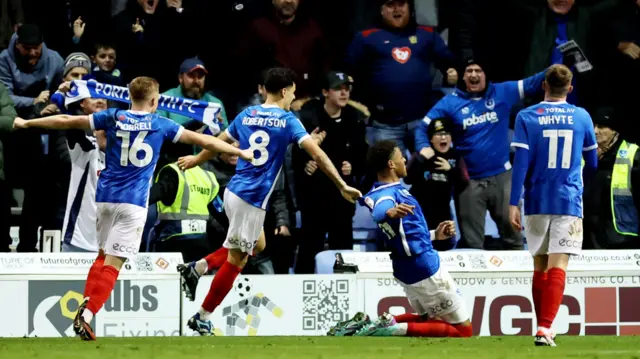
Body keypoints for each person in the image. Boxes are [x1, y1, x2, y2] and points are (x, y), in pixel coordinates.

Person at [12, 76, 253, 341]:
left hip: (103, 200)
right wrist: (240, 153)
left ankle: (85, 309)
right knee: (114, 264)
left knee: (102, 257)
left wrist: (27, 122)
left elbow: (66, 121)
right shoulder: (162, 124)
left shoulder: (113, 116)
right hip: (133, 203)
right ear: (154, 101)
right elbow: (205, 141)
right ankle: (88, 313)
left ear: (130, 97)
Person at [176, 67, 362, 335]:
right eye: (293, 93)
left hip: (235, 192)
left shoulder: (246, 114)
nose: (292, 98)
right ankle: (202, 316)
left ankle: (199, 267)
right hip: (250, 197)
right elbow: (318, 155)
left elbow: (218, 142)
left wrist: (196, 159)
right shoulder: (288, 120)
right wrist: (342, 184)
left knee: (258, 244)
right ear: (285, 91)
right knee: (237, 260)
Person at [329, 140, 472, 338]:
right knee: (463, 332)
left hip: (407, 266)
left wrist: (434, 235)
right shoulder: (388, 194)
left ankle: (372, 324)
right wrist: (390, 212)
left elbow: (402, 233)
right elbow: (380, 212)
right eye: (400, 156)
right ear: (391, 164)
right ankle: (388, 329)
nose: (404, 159)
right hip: (424, 267)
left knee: (429, 321)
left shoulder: (382, 191)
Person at [508, 64, 597, 347]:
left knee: (540, 265)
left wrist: (513, 203)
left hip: (535, 199)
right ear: (570, 89)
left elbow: (520, 163)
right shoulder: (581, 116)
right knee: (559, 265)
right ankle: (545, 327)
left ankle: (542, 326)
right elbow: (592, 162)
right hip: (568, 199)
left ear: (543, 85)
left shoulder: (527, 116)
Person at [415, 59, 546, 250]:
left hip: (503, 178)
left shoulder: (502, 92)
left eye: (478, 70)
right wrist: (423, 146)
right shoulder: (450, 103)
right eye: (469, 71)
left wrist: (557, 67)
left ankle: (520, 280)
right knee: (472, 244)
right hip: (469, 183)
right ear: (462, 76)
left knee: (514, 238)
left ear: (485, 75)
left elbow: (534, 82)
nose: (473, 75)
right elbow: (423, 127)